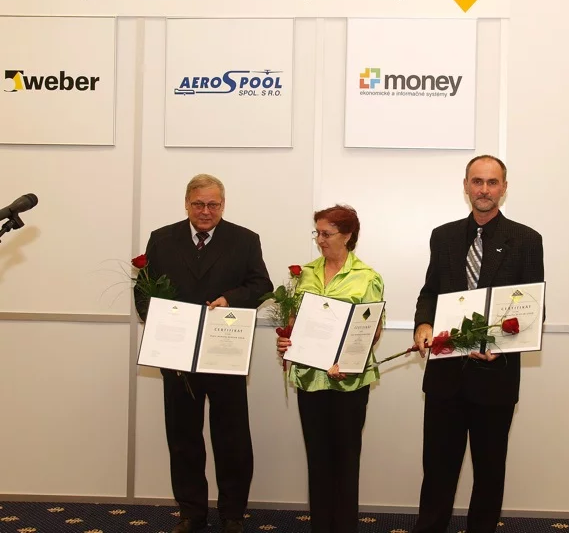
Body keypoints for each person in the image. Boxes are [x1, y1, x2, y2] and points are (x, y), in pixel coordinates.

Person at [411, 155, 544, 533]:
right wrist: (423, 323)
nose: (484, 190)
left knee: (489, 471)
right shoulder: (443, 236)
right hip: (445, 376)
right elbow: (430, 292)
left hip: (495, 378)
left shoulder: (526, 240)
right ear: (466, 185)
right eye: (477, 181)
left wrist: (499, 345)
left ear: (504, 188)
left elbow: (533, 309)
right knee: (437, 469)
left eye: (492, 182)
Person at [137, 174, 272, 533]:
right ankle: (191, 513)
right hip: (177, 356)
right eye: (198, 204)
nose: (206, 211)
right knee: (183, 439)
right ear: (187, 203)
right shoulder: (161, 239)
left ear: (223, 205)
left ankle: (232, 513)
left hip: (224, 353)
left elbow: (261, 285)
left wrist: (230, 299)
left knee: (232, 439)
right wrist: (163, 324)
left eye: (213, 204)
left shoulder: (245, 240)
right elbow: (143, 292)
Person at [276, 204, 384, 533]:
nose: (320, 240)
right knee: (318, 459)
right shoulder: (305, 274)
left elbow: (372, 332)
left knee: (346, 459)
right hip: (310, 379)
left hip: (348, 382)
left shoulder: (367, 277)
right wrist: (286, 340)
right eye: (317, 233)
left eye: (327, 234)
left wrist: (347, 361)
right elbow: (294, 321)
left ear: (347, 236)